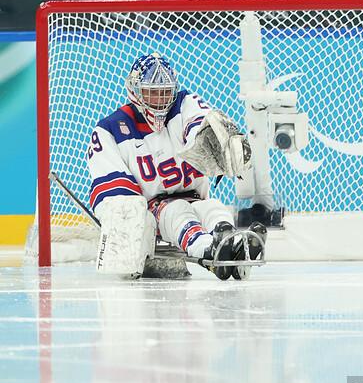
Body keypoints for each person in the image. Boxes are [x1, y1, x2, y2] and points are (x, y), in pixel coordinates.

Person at [86, 52, 266, 280]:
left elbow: (199, 123)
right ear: (135, 91)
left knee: (213, 207)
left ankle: (233, 243)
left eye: (165, 92)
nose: (160, 100)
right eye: (152, 92)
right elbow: (113, 191)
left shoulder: (183, 104)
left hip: (194, 197)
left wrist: (217, 139)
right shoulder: (110, 129)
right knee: (177, 211)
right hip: (154, 208)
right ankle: (208, 248)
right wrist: (134, 222)